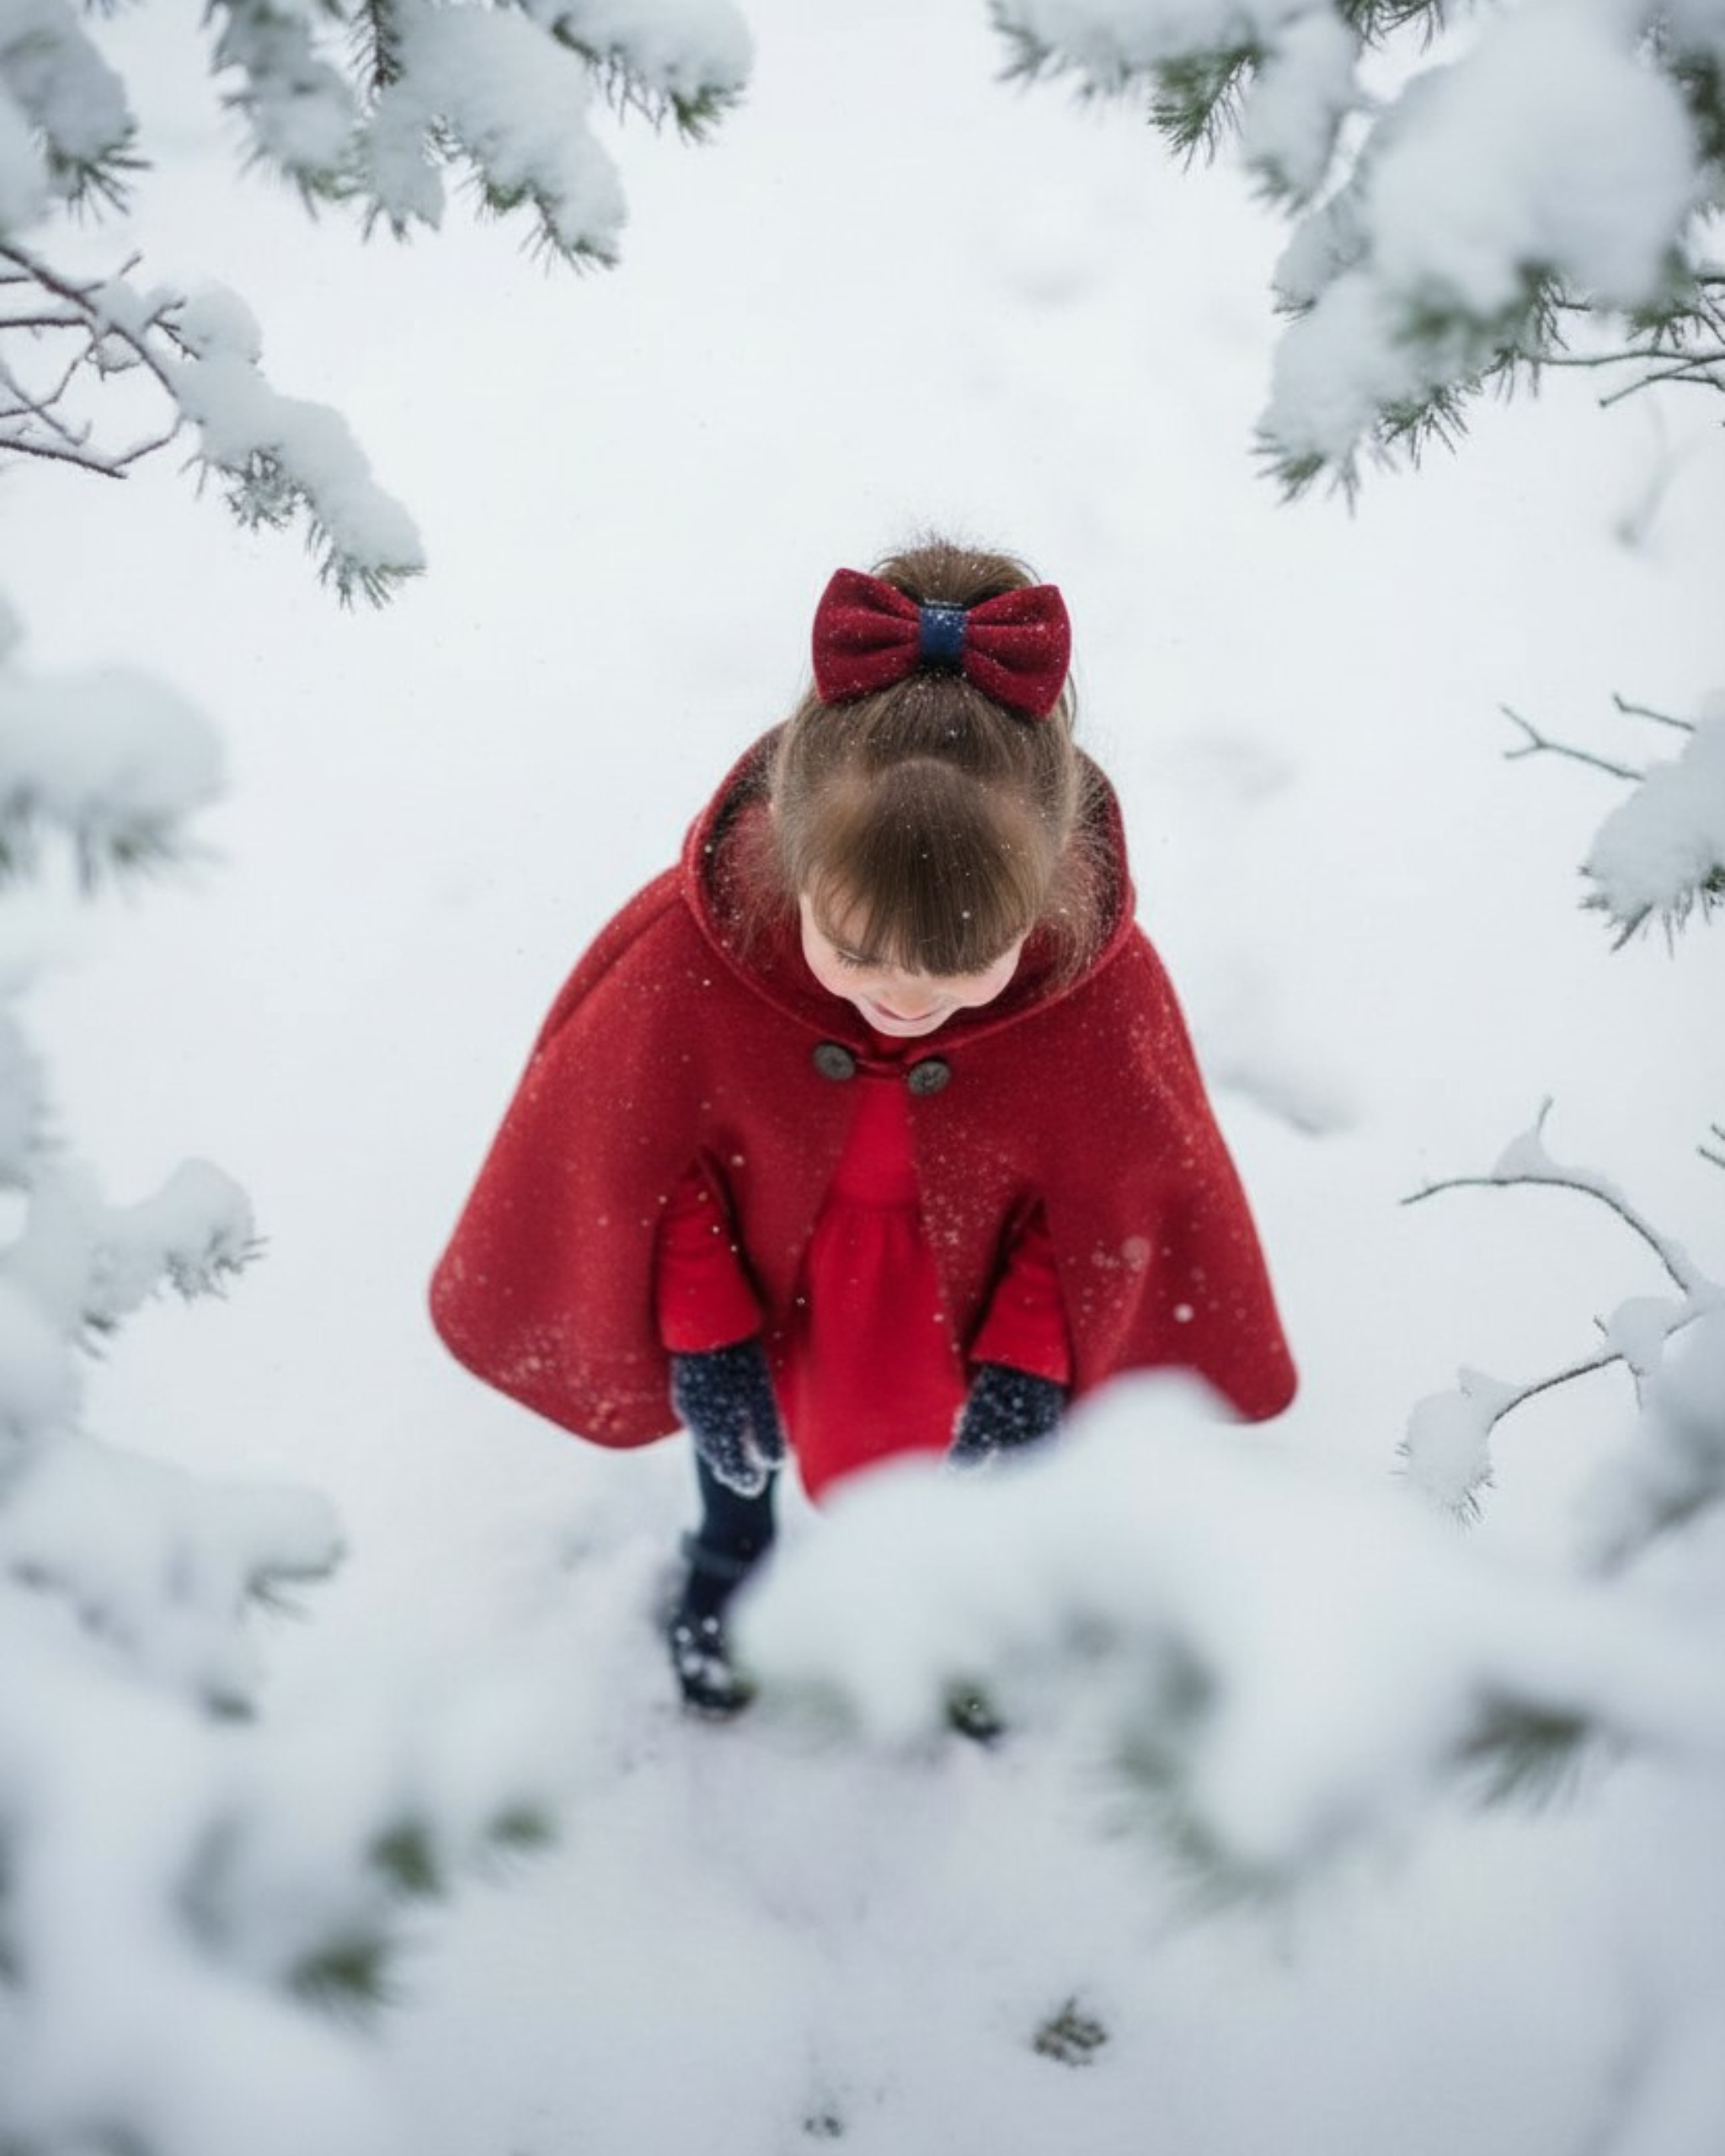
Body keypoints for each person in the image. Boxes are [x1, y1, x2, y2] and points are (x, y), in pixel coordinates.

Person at [430, 538, 1296, 1717]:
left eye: (962, 969)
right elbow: (657, 1163)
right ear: (790, 852)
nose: (901, 999)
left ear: (1044, 895)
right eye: (856, 951)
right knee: (735, 1442)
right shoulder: (700, 960)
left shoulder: (1093, 994)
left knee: (986, 1492)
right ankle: (732, 1558)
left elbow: (1102, 1201)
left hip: (966, 1307)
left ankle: (971, 1617)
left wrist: (1026, 1368)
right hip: (759, 1283)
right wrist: (710, 1341)